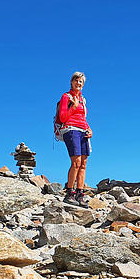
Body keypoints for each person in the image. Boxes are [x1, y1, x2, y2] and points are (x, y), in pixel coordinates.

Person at [58, 71, 92, 207]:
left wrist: (89, 129)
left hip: (83, 131)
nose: (79, 83)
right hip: (70, 130)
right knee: (76, 162)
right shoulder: (66, 97)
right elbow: (62, 118)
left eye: (81, 82)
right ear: (71, 82)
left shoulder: (83, 99)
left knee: (83, 163)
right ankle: (69, 193)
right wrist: (74, 106)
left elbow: (83, 118)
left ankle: (80, 194)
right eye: (76, 80)